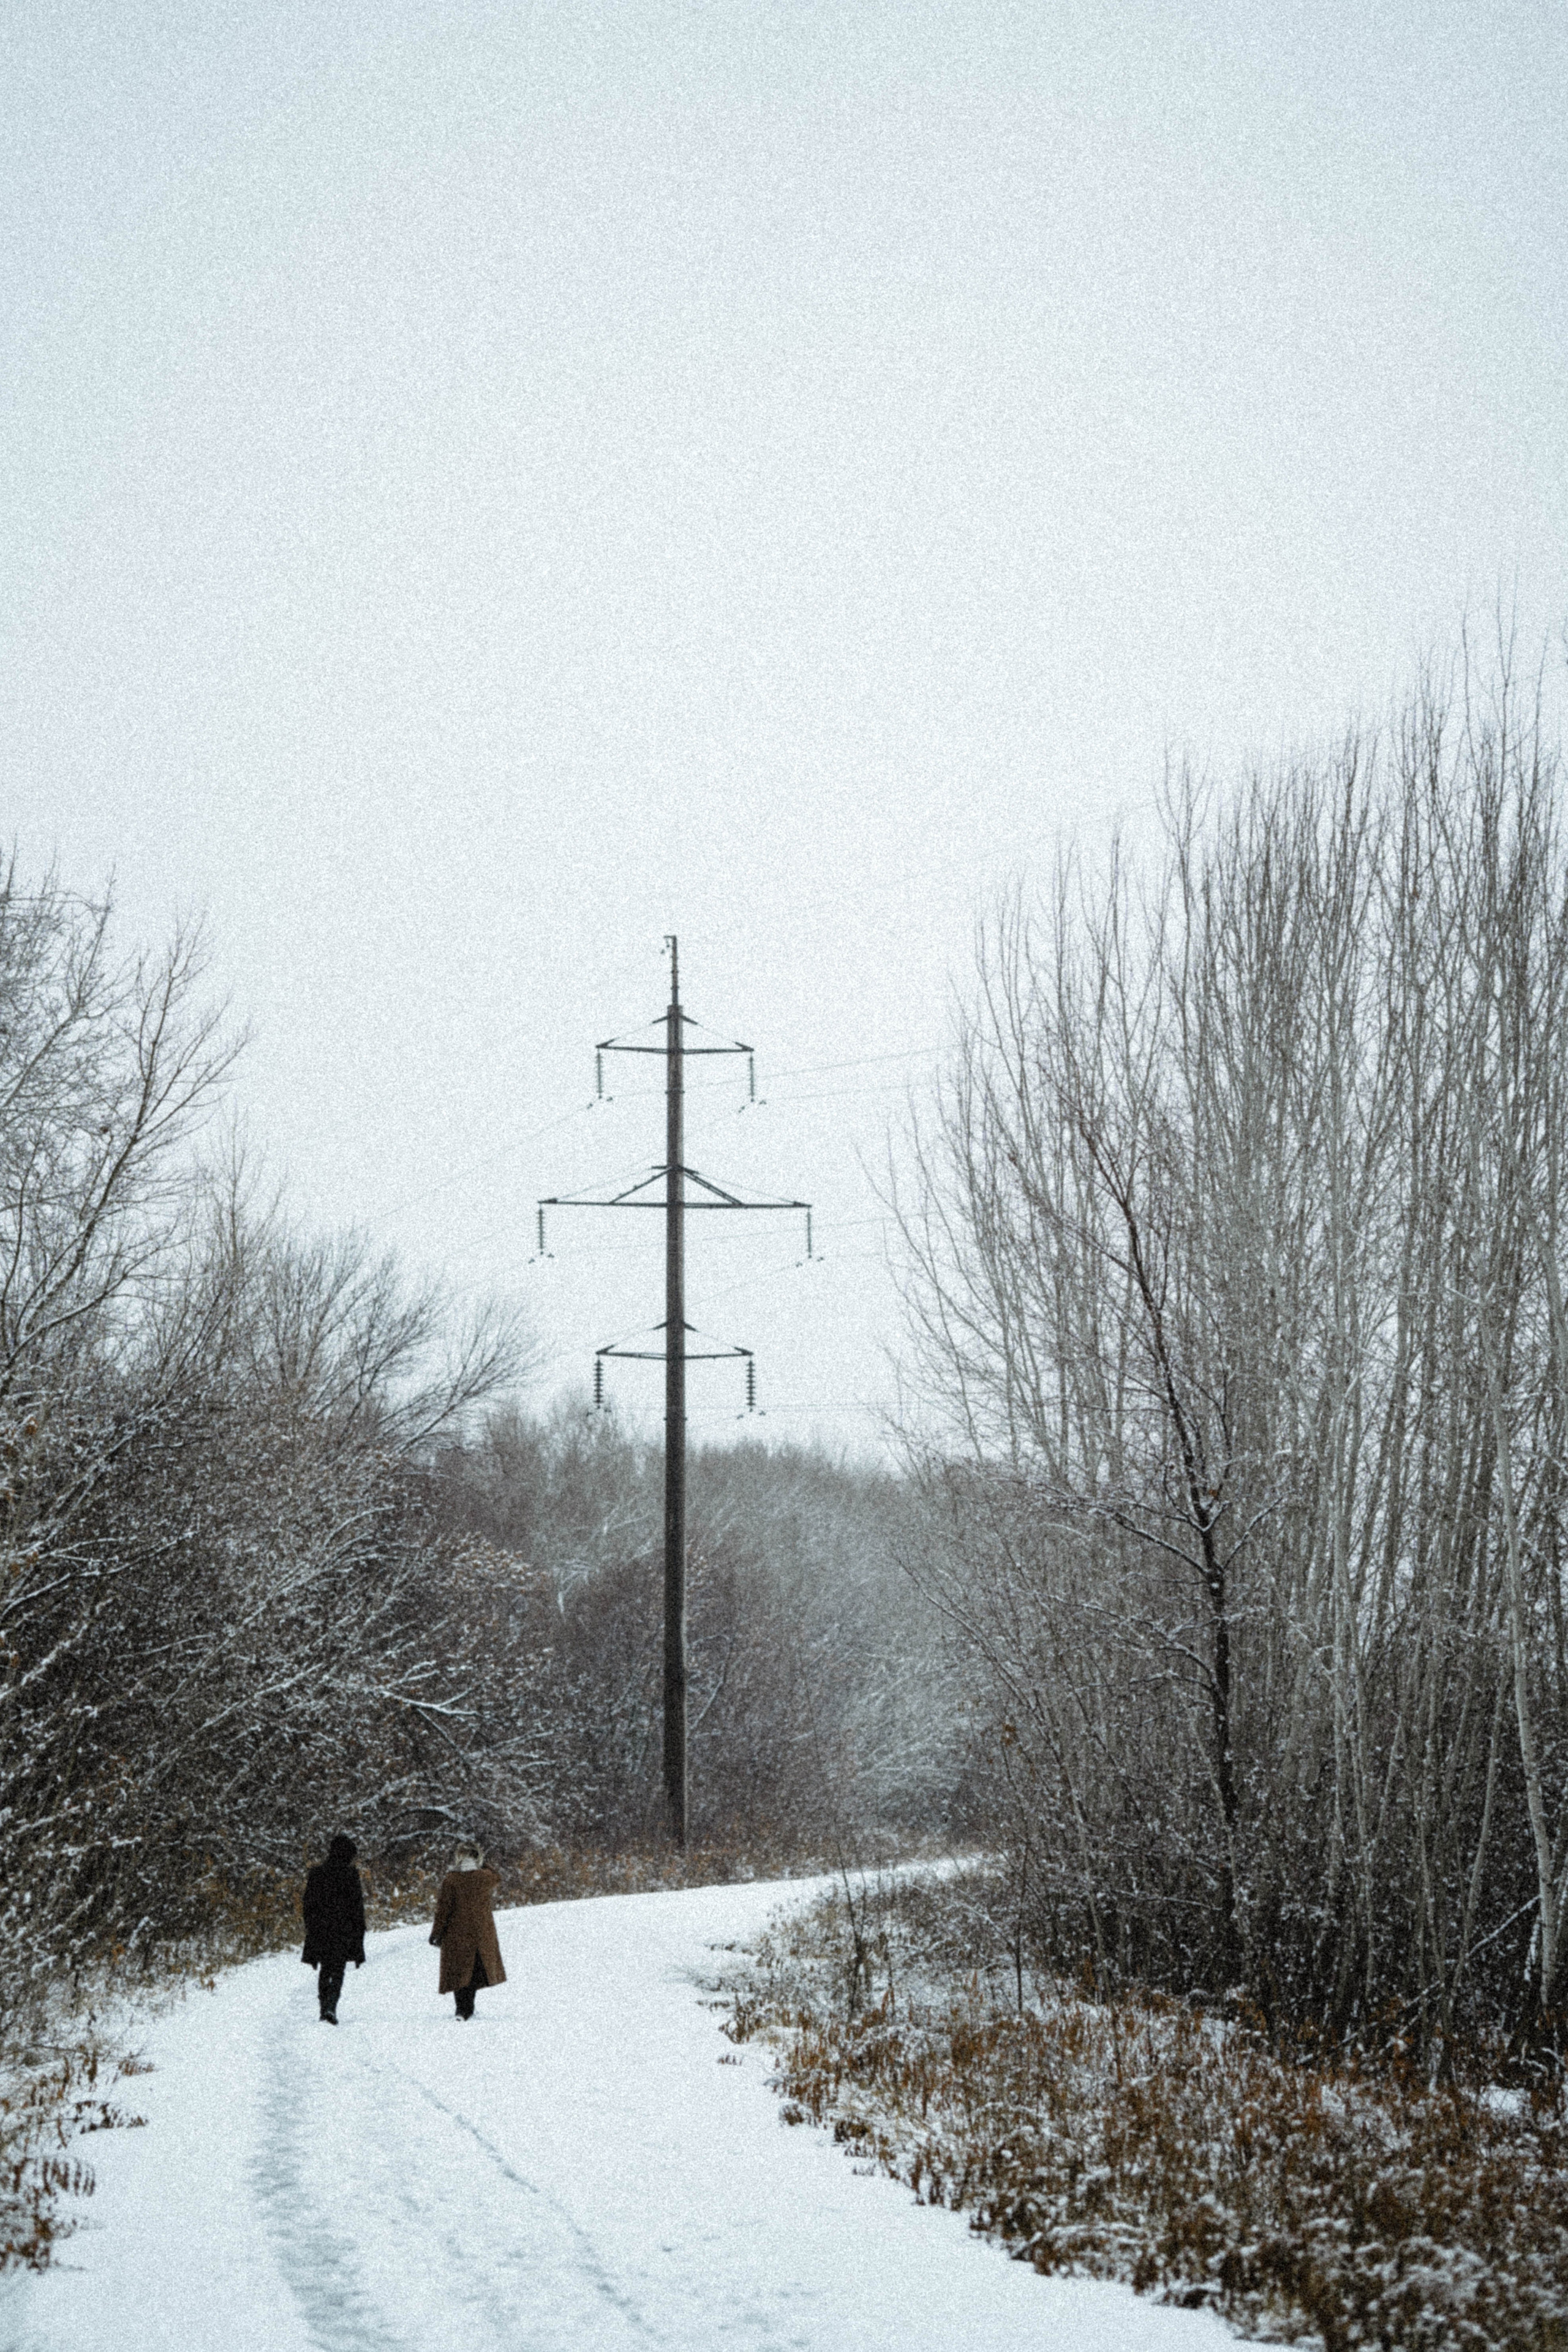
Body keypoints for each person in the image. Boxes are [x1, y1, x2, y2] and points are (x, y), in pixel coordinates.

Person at [429, 1839, 507, 2021]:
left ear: (459, 1858)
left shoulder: (451, 1880)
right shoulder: (484, 1878)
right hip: (480, 1934)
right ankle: (468, 2009)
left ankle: (461, 2010)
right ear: (476, 1857)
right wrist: (483, 1863)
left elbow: (443, 1910)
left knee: (459, 1972)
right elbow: (497, 1876)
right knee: (474, 1972)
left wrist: (436, 1933)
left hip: (456, 1933)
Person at [301, 1832, 367, 2024]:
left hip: (321, 1930)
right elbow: (357, 1906)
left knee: (325, 1968)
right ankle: (331, 2006)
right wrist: (359, 1932)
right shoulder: (350, 1874)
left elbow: (308, 1904)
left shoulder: (317, 1873)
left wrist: (311, 1926)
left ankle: (324, 2007)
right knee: (338, 1970)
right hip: (343, 1931)